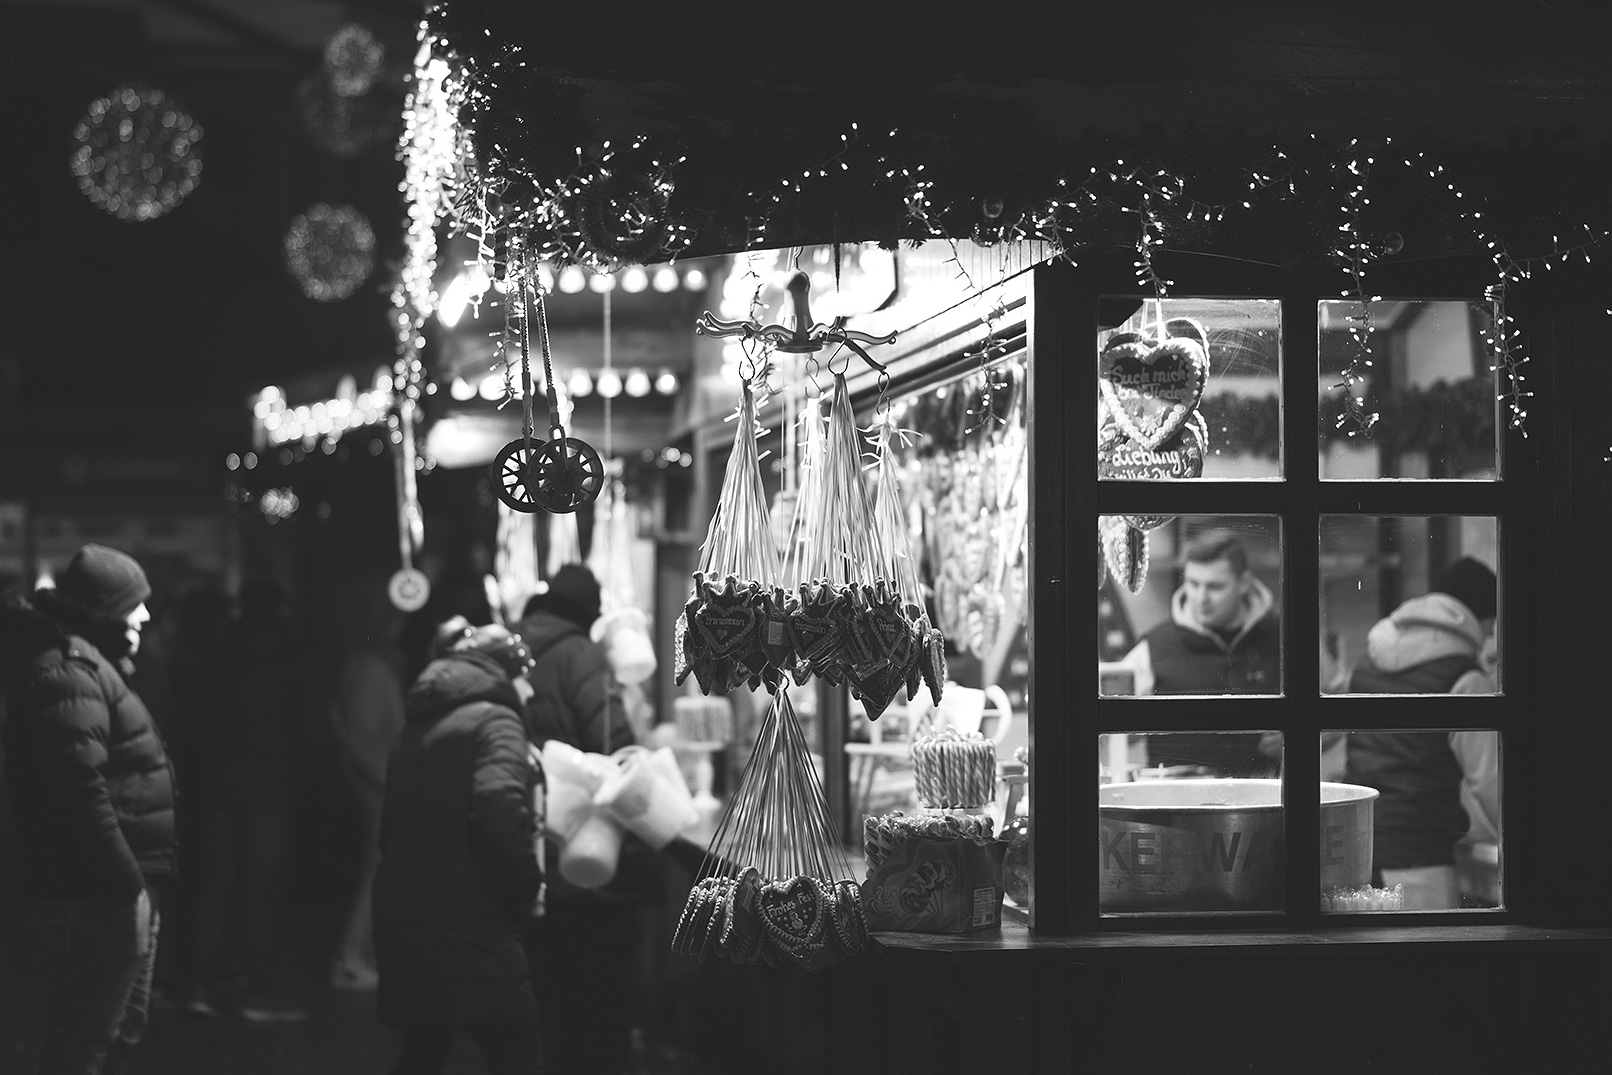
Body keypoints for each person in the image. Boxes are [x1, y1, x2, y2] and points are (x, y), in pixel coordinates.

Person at [0, 544, 176, 1074]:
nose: (145, 614)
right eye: (134, 603)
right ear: (103, 610)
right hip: (99, 899)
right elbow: (77, 791)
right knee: (84, 1049)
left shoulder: (82, 664)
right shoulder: (69, 670)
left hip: (107, 896)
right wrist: (127, 889)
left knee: (108, 1039)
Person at [372, 617, 546, 1075]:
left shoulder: (422, 721)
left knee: (424, 1047)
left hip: (411, 908)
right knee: (516, 1051)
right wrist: (527, 885)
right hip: (474, 917)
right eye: (526, 678)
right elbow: (498, 808)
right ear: (505, 674)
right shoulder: (497, 721)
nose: (530, 692)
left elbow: (390, 824)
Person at [514, 563, 653, 1075]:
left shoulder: (511, 648)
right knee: (596, 990)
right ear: (589, 612)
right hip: (582, 844)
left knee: (546, 987)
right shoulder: (582, 656)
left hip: (527, 839)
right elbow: (616, 746)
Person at [179, 579, 309, 1021]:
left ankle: (200, 983)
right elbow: (309, 726)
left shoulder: (220, 653)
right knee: (261, 888)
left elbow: (196, 721)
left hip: (218, 783)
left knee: (214, 885)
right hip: (273, 785)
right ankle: (260, 986)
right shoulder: (292, 656)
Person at [1343, 555, 1501, 910]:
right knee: (1429, 963)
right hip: (1421, 857)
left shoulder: (1367, 662)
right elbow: (1491, 781)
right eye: (1491, 622)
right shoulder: (1463, 679)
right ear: (1474, 617)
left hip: (1359, 849)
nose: (1491, 635)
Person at [1118, 532, 1281, 776]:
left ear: (1244, 584)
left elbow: (1332, 716)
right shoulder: (1153, 648)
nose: (1201, 598)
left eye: (1215, 586)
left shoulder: (1286, 641)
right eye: (1193, 583)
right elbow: (1111, 729)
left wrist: (1295, 738)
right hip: (1175, 805)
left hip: (1261, 804)